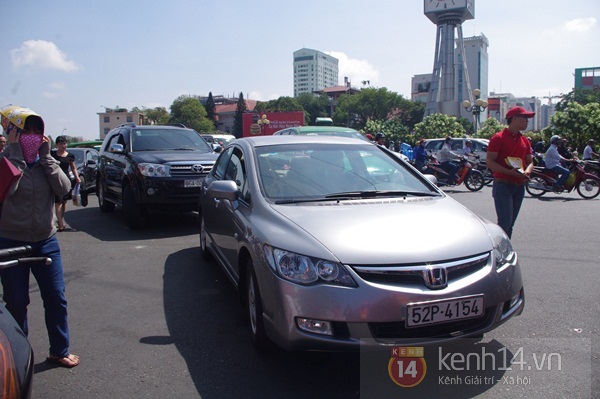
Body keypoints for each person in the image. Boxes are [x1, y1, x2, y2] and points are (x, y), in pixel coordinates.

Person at [0, 108, 79, 368]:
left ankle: (59, 350)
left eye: (37, 132)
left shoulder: (47, 162)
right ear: (13, 134)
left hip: (46, 240)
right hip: (11, 241)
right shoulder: (4, 160)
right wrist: (15, 155)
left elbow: (64, 189)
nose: (33, 137)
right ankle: (17, 359)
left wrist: (46, 159)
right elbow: (8, 189)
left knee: (56, 297)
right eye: (26, 132)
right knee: (16, 302)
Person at [486, 106, 534, 238]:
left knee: (510, 224)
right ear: (514, 118)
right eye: (525, 118)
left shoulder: (525, 140)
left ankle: (506, 251)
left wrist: (528, 172)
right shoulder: (498, 138)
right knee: (504, 223)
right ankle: (497, 251)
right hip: (503, 186)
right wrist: (509, 172)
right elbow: (490, 162)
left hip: (519, 187)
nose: (527, 121)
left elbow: (530, 162)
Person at [51, 135, 80, 231]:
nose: (63, 145)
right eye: (61, 144)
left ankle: (60, 220)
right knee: (58, 202)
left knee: (63, 202)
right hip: (55, 180)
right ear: (57, 145)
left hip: (66, 180)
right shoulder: (52, 154)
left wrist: (77, 178)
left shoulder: (70, 156)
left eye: (64, 143)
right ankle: (60, 224)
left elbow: (73, 168)